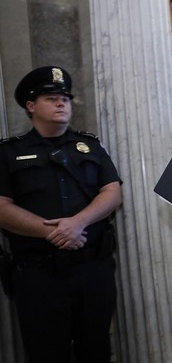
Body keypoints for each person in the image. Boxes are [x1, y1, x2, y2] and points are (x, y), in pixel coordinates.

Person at [0, 66, 122, 363]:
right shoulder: (8, 152)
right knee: (46, 353)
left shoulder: (90, 145)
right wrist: (53, 231)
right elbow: (1, 207)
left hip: (93, 269)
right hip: (39, 276)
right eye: (51, 98)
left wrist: (78, 223)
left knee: (96, 350)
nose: (61, 104)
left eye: (65, 99)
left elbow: (112, 191)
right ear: (31, 105)